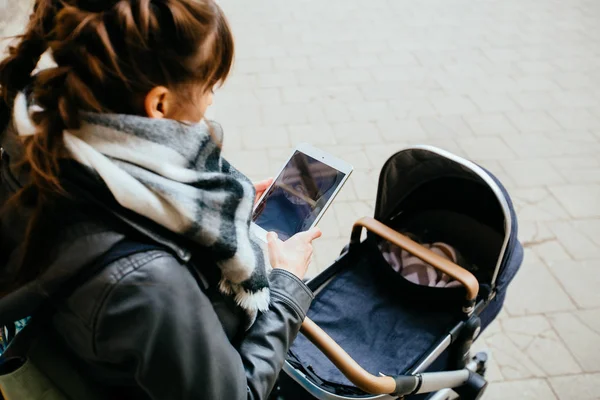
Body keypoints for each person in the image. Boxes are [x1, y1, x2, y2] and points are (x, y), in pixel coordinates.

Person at [0, 0, 321, 399]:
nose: (210, 102)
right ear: (158, 104)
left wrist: (203, 207)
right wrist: (287, 286)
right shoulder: (147, 284)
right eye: (209, 87)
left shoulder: (33, 136)